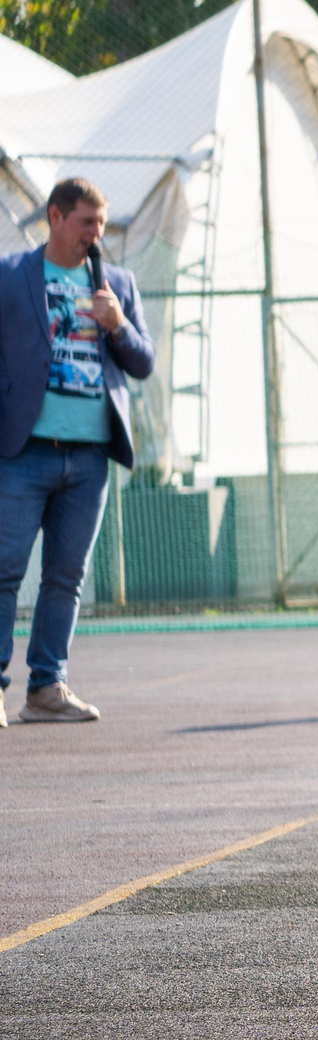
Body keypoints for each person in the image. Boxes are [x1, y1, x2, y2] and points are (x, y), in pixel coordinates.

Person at [0, 179, 154, 726]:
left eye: (102, 224)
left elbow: (143, 363)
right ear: (55, 217)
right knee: (5, 569)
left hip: (89, 457)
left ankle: (47, 688)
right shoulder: (12, 275)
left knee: (66, 577)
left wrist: (119, 326)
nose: (96, 234)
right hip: (23, 451)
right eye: (86, 222)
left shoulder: (117, 283)